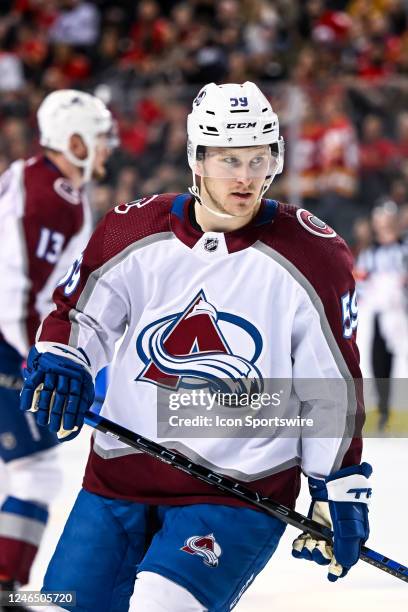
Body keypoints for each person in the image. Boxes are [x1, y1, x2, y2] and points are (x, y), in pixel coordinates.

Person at [20, 82, 371, 612]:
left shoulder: (314, 255)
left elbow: (330, 387)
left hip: (236, 493)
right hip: (117, 481)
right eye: (229, 160)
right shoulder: (131, 228)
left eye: (259, 159)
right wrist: (65, 360)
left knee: (161, 604)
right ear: (197, 159)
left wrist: (336, 484)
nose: (246, 177)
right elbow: (79, 317)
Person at [0, 89, 114, 603]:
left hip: (9, 339)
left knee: (31, 469)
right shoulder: (55, 196)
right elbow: (19, 291)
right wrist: (42, 362)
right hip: (6, 342)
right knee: (35, 469)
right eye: (101, 138)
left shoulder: (36, 180)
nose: (109, 148)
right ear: (74, 140)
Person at [355, 201, 408, 431]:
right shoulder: (369, 254)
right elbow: (358, 284)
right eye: (380, 223)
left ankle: (400, 410)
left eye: (389, 222)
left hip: (402, 314)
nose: (384, 227)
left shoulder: (404, 250)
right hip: (377, 316)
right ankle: (382, 410)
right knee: (377, 362)